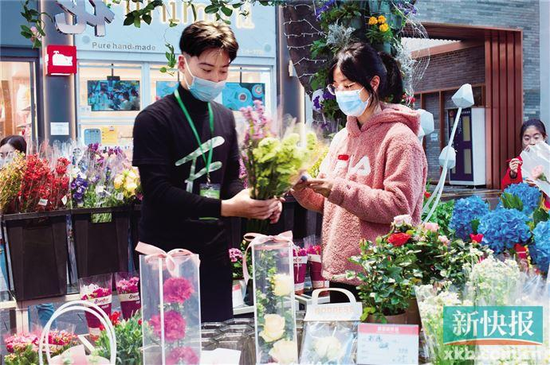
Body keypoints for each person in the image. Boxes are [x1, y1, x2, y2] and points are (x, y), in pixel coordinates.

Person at [133, 21, 282, 322]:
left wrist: (257, 201)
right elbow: (157, 191)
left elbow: (228, 181)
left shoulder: (225, 117)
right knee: (172, 343)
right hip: (167, 257)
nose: (214, 79)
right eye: (205, 69)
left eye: (223, 71)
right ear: (182, 62)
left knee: (218, 340)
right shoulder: (153, 120)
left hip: (214, 256)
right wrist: (226, 208)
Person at [292, 42, 427, 303]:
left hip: (383, 275)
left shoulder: (400, 139)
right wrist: (302, 188)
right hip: (339, 272)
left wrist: (337, 189)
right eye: (337, 86)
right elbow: (328, 202)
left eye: (349, 86)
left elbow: (399, 206)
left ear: (373, 83)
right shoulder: (342, 138)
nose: (341, 93)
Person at [0, 135, 55, 326]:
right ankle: (26, 343)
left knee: (42, 298)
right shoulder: (3, 182)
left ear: (22, 154)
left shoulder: (34, 178)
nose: (5, 159)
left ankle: (52, 341)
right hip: (5, 245)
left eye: (9, 154)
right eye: (1, 155)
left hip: (33, 241)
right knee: (18, 300)